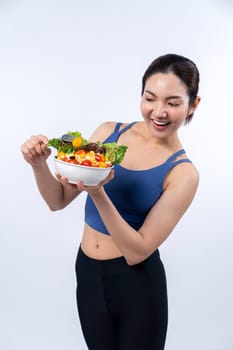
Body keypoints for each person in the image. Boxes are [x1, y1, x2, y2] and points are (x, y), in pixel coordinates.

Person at [21, 53, 201, 350]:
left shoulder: (183, 173)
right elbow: (57, 201)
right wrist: (38, 165)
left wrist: (98, 192)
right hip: (88, 273)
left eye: (173, 102)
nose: (159, 111)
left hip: (137, 285)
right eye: (150, 98)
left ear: (193, 105)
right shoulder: (108, 133)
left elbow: (138, 251)